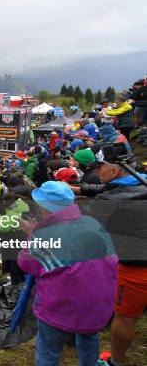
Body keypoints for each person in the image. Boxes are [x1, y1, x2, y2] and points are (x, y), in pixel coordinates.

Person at [17, 181, 118, 366]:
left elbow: (25, 263)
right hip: (99, 303)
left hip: (60, 307)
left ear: (45, 209)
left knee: (48, 350)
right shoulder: (92, 222)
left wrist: (32, 235)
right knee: (89, 338)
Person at [80, 145, 147, 366]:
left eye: (100, 167)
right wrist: (77, 188)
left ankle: (115, 361)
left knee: (125, 317)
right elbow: (107, 189)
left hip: (135, 268)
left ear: (114, 170)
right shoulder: (141, 180)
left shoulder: (105, 203)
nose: (97, 172)